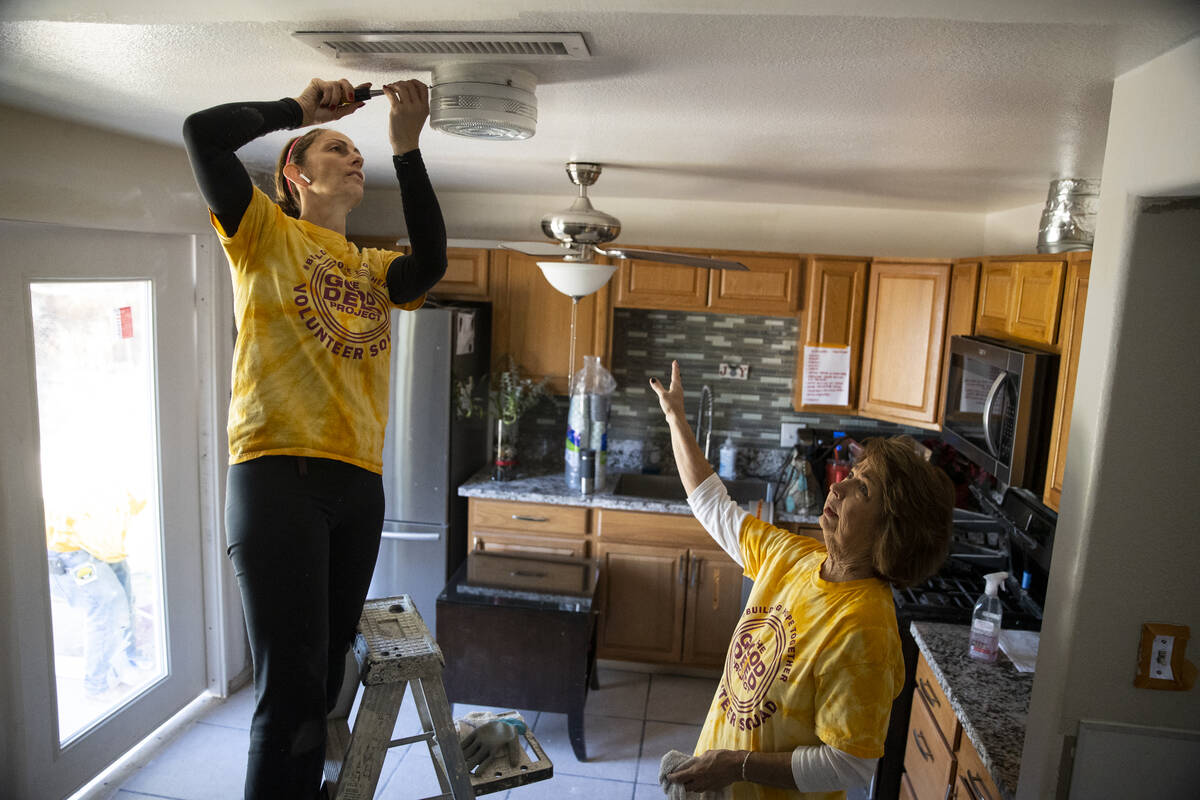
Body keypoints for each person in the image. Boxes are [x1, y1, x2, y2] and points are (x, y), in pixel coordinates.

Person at [182, 77, 447, 799]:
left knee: (327, 677)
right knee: (290, 694)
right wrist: (299, 113)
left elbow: (432, 263)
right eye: (339, 148)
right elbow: (202, 130)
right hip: (278, 477)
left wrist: (407, 148)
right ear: (294, 173)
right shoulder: (262, 232)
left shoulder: (371, 268)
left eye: (360, 151)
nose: (354, 158)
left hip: (358, 484)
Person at [648, 361, 953, 799]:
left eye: (862, 490)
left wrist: (735, 765)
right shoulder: (797, 557)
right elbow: (711, 504)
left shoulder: (865, 627)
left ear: (893, 530)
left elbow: (849, 764)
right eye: (851, 476)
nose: (839, 488)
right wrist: (676, 418)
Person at [46, 492, 150, 698]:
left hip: (106, 546)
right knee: (105, 609)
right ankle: (96, 685)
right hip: (72, 546)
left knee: (124, 603)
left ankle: (128, 661)